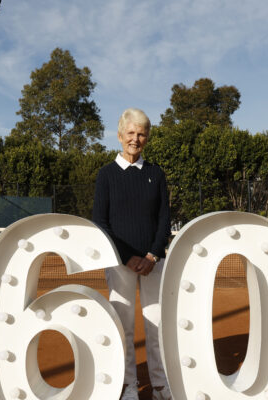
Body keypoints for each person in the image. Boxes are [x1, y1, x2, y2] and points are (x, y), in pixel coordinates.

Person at [92, 108, 172, 400]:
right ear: (119, 135)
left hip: (154, 264)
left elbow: (164, 219)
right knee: (123, 327)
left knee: (157, 327)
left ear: (147, 138)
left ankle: (161, 385)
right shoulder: (106, 175)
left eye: (141, 134)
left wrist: (151, 256)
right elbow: (101, 222)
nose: (135, 139)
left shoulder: (156, 173)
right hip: (120, 264)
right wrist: (128, 257)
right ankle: (128, 386)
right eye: (131, 133)